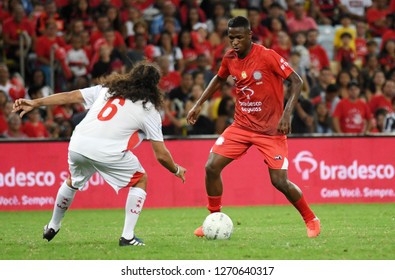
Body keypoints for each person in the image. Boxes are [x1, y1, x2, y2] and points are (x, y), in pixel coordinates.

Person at [12, 62, 187, 246]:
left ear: (131, 75)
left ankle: (53, 225)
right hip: (106, 151)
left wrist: (35, 102)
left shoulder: (107, 89)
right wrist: (176, 170)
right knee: (140, 179)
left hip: (78, 143)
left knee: (73, 180)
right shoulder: (149, 109)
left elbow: (70, 96)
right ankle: (127, 237)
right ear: (154, 86)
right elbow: (161, 154)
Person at [186, 16, 320, 239]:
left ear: (250, 35)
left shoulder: (267, 56)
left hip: (270, 131)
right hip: (241, 126)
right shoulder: (230, 58)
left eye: (239, 37)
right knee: (211, 166)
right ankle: (213, 218)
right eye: (231, 38)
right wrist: (199, 104)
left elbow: (297, 81)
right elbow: (219, 79)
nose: (235, 42)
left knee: (279, 182)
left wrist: (287, 114)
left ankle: (311, 219)